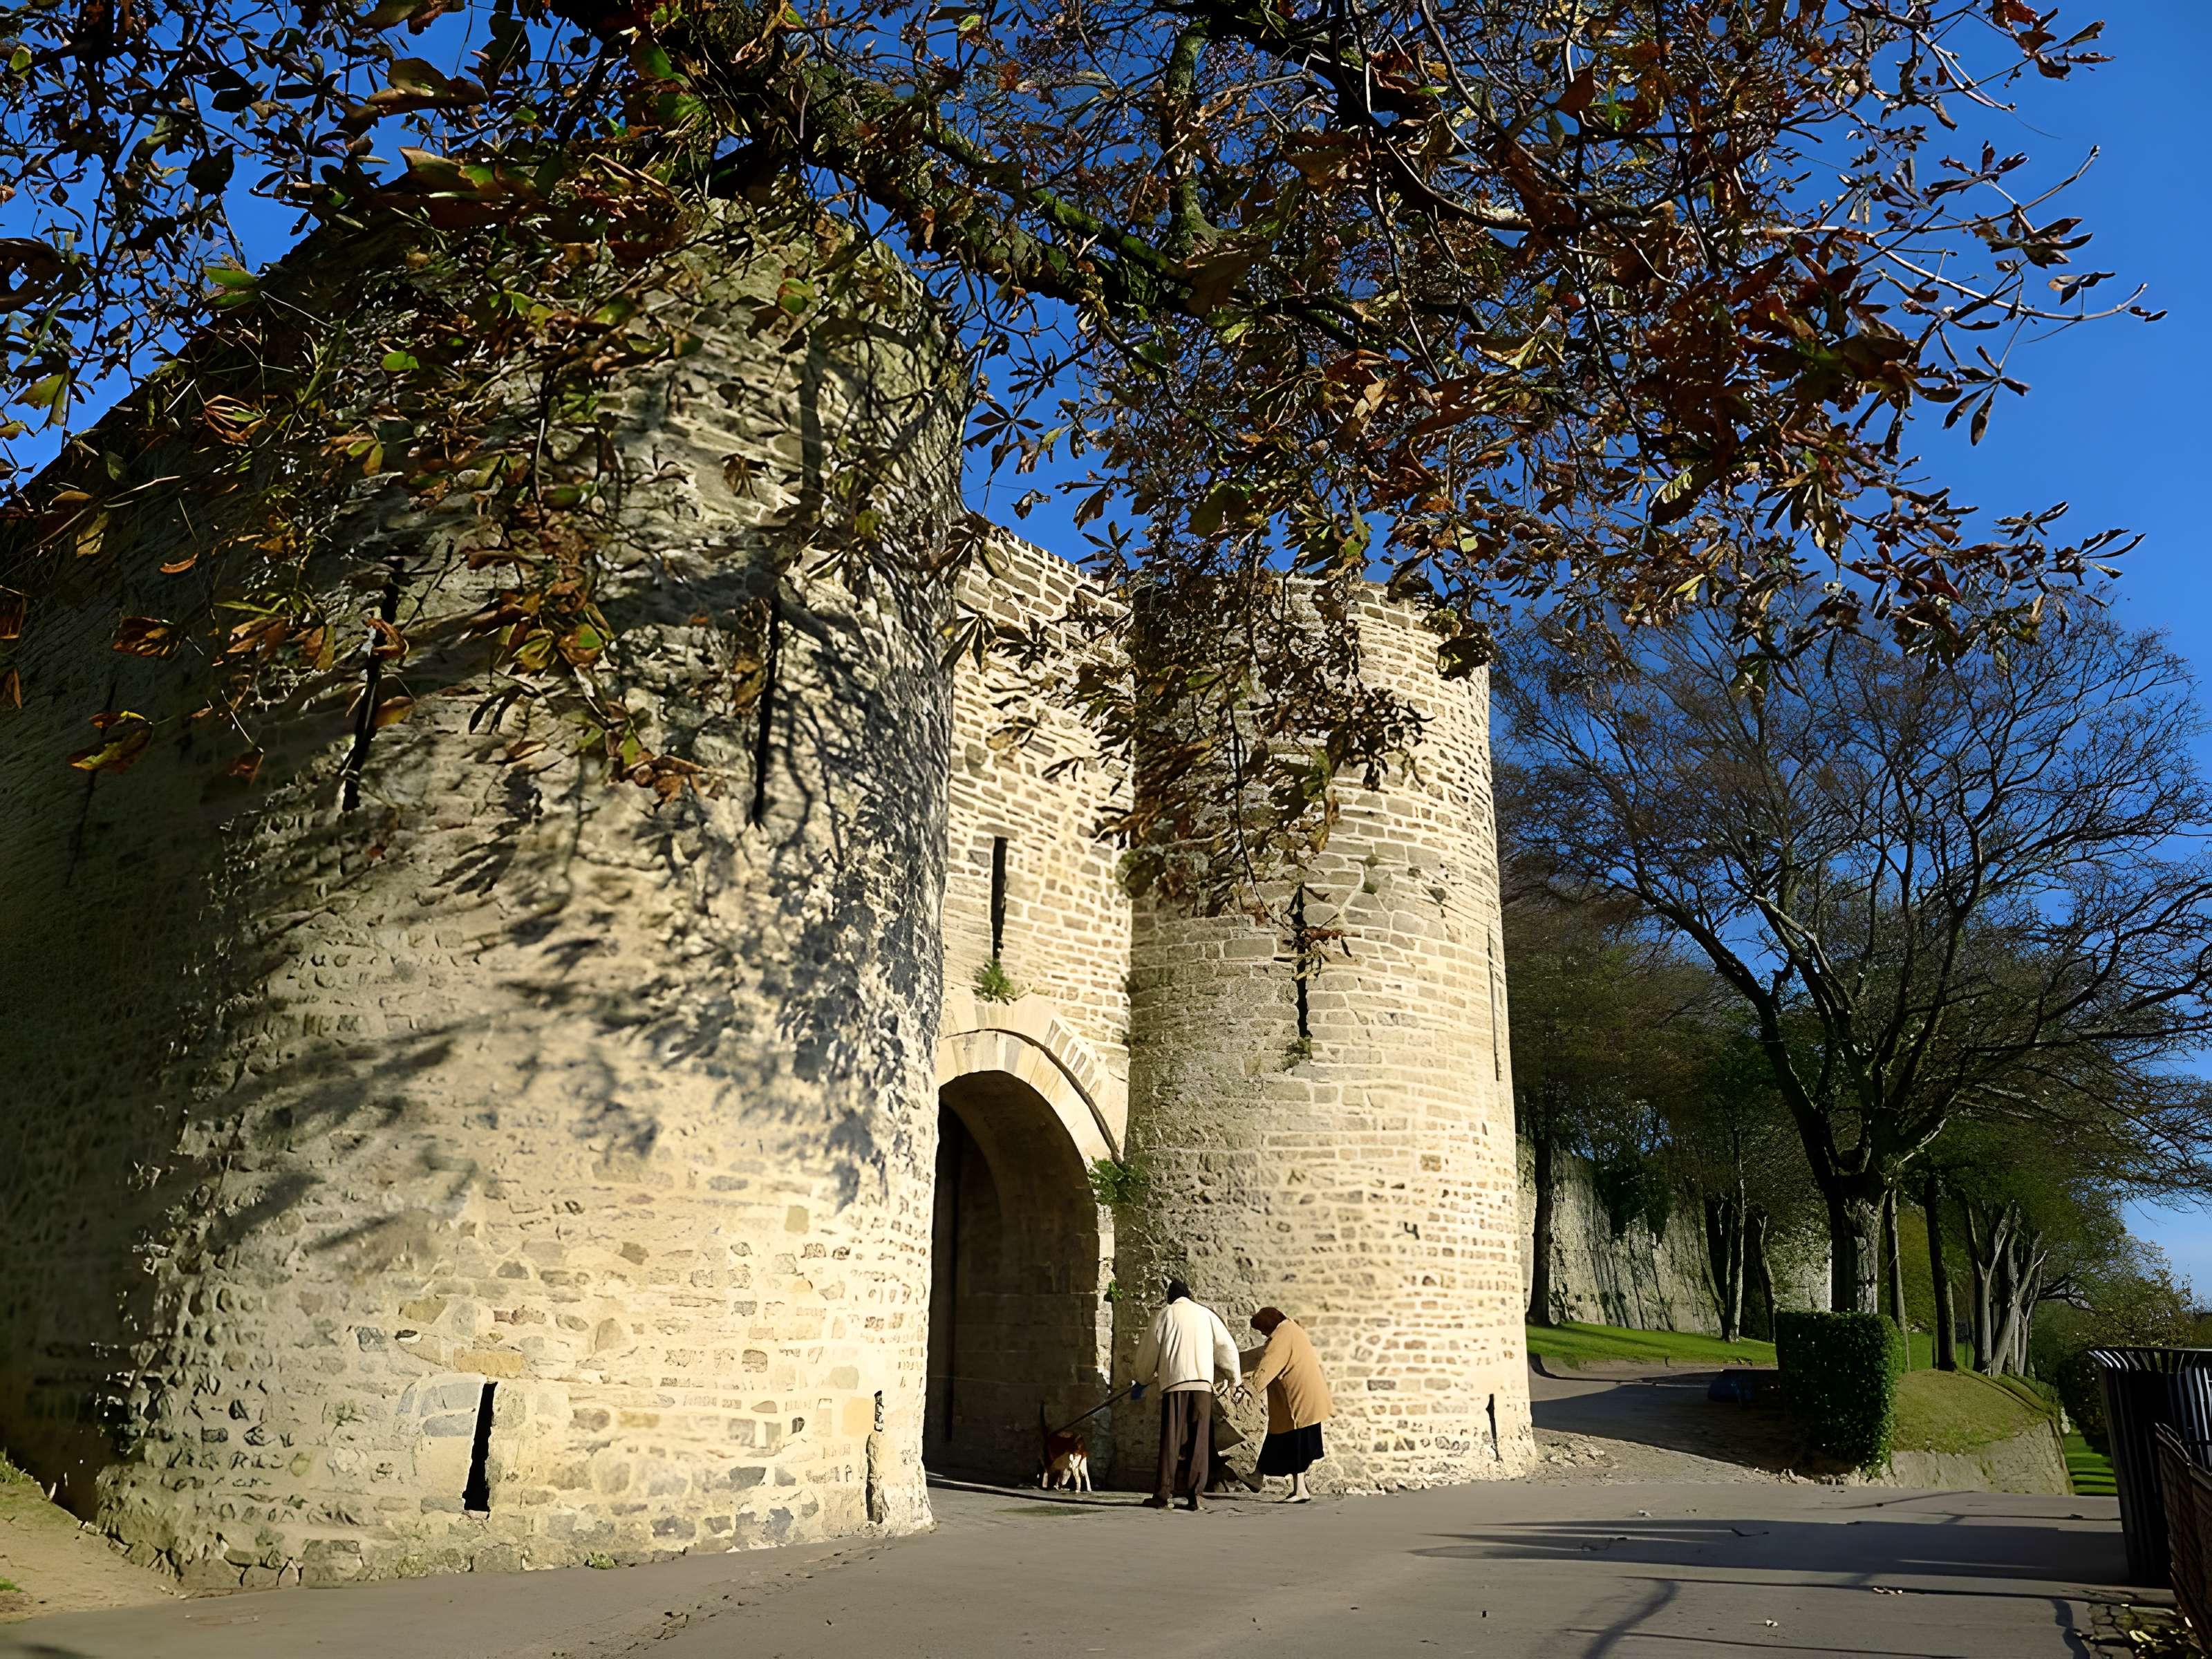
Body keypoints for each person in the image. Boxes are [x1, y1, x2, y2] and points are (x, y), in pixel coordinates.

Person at [1130, 1278, 1240, 1511]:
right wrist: (1234, 1377)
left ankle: (1163, 1495)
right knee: (1199, 1440)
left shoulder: (1165, 1314)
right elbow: (1226, 1347)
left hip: (1175, 1383)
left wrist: (1142, 1378)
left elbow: (1149, 1350)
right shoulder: (1206, 1314)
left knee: (1172, 1439)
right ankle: (1195, 1496)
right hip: (1202, 1385)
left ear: (1170, 1297)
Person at [1239, 1306, 1332, 1503]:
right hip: (1305, 1399)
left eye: (1262, 1330)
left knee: (1294, 1444)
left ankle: (1300, 1491)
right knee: (1284, 1440)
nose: (1263, 1335)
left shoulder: (1282, 1336)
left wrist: (1250, 1386)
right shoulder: (1292, 1329)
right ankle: (1261, 1476)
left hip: (1297, 1402)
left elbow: (1269, 1364)